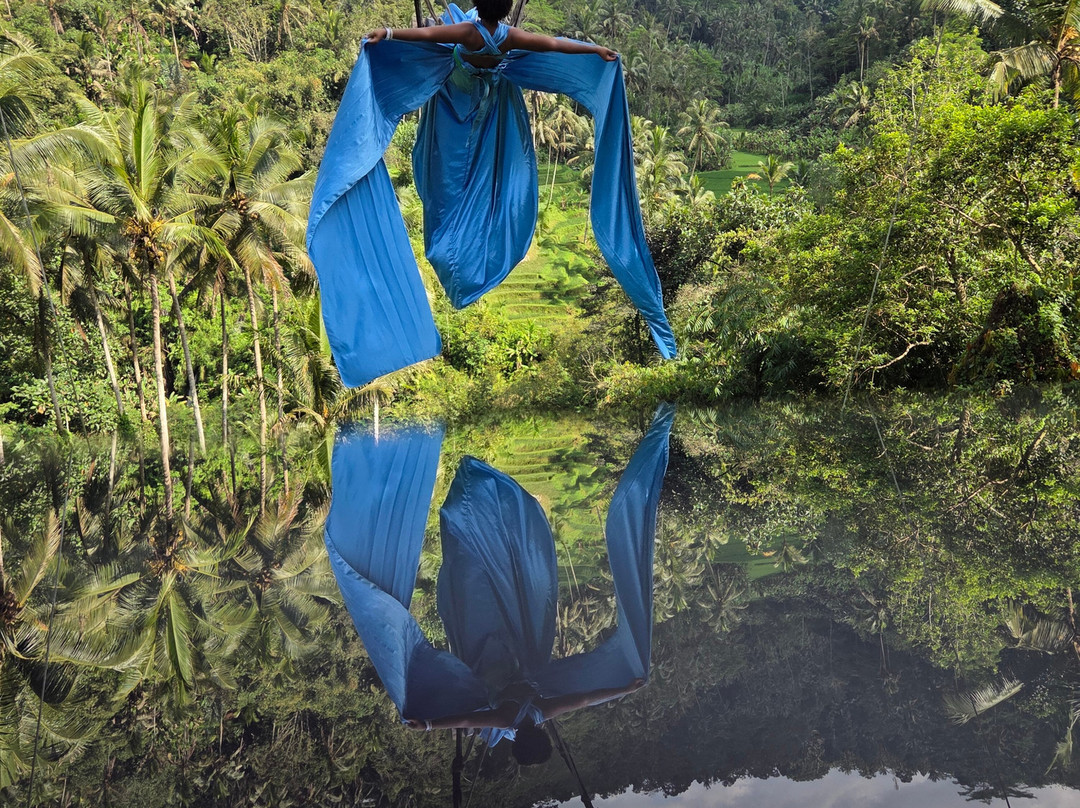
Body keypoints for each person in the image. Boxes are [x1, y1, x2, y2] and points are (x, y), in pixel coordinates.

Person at [365, 0, 618, 64]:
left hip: (458, 84)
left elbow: (426, 35)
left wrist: (387, 32)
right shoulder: (511, 36)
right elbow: (554, 43)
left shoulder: (467, 31)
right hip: (492, 86)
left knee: (445, 22)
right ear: (507, 8)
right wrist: (595, 48)